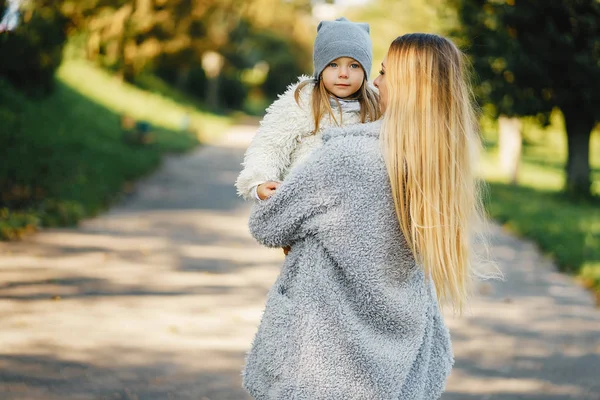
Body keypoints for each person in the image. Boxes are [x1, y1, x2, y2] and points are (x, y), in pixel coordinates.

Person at [242, 33, 487, 399]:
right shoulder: (440, 165)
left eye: (384, 73)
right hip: (401, 357)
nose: (374, 81)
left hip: (322, 358)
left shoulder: (346, 158)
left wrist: (278, 190)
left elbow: (267, 224)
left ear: (407, 85)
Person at [235, 17, 380, 202]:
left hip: (352, 207)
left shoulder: (376, 106)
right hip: (303, 200)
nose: (343, 73)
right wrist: (259, 182)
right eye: (333, 64)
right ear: (320, 68)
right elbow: (270, 146)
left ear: (365, 71)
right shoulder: (302, 101)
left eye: (354, 65)